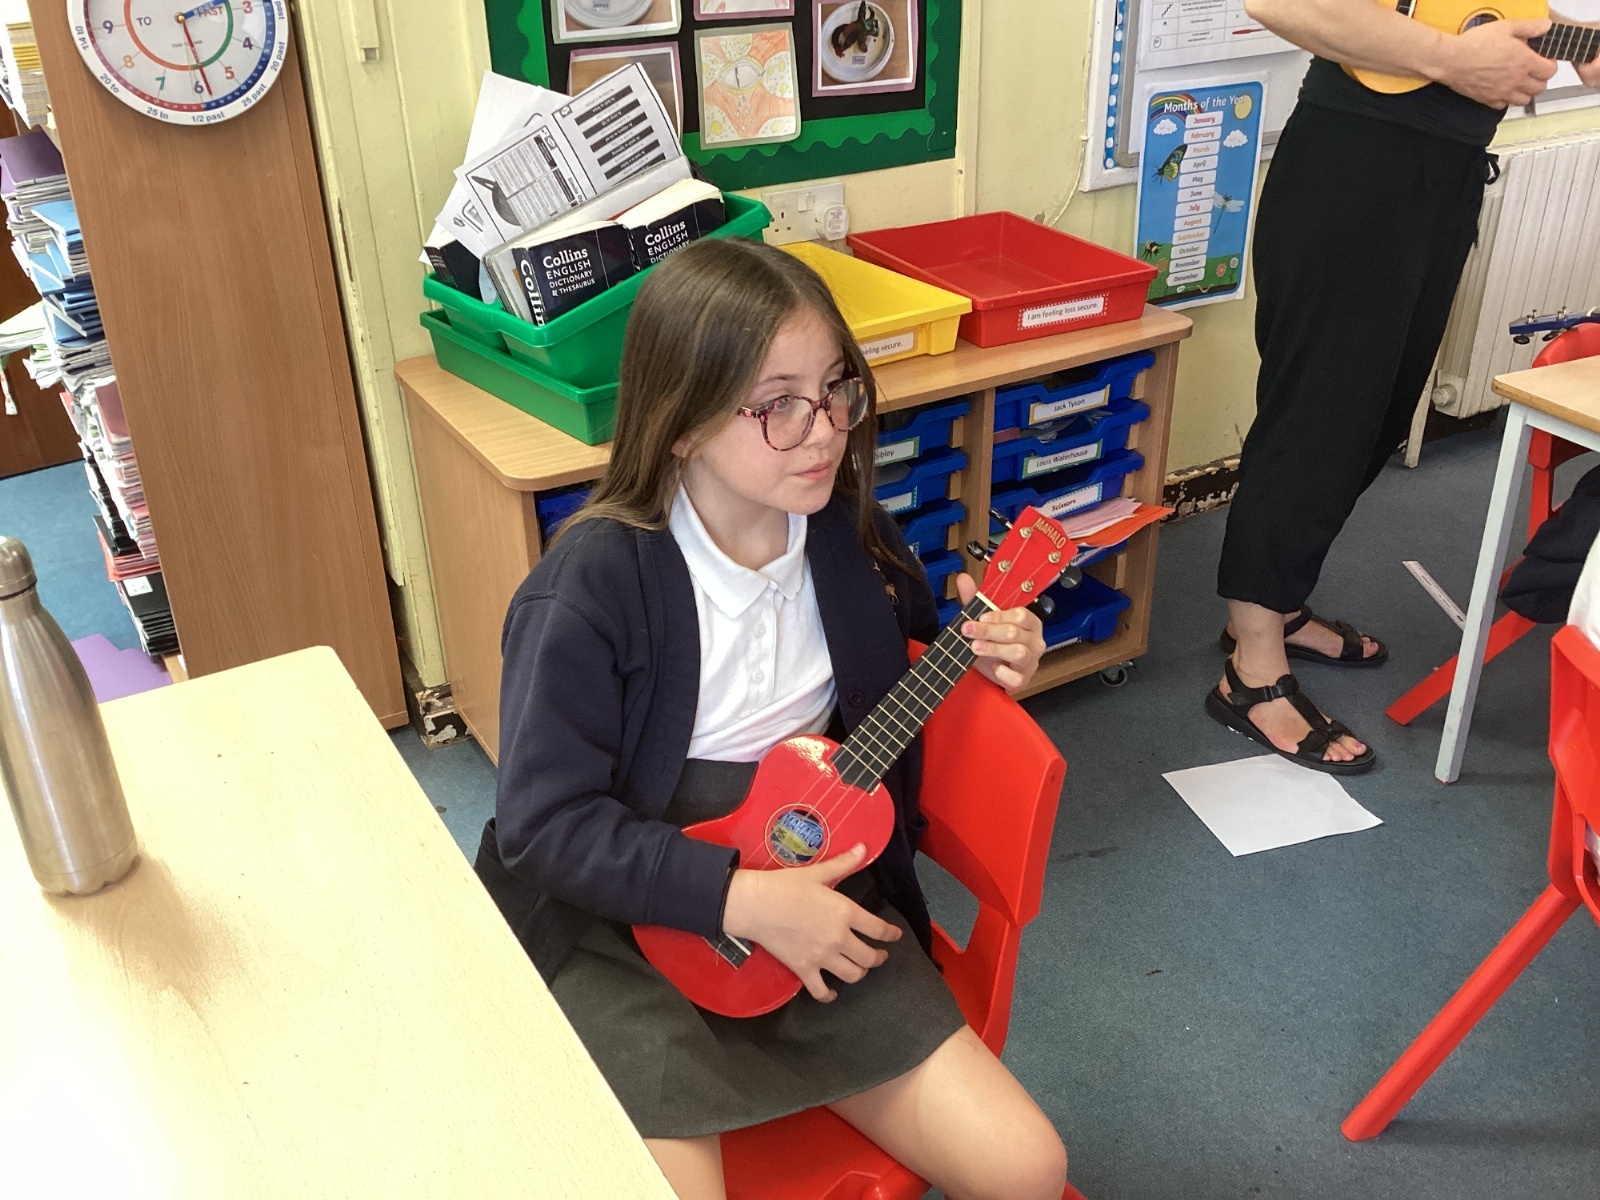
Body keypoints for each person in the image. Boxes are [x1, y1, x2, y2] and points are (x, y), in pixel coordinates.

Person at [473, 237, 1067, 1200]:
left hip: (813, 905)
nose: (824, 430)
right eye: (777, 404)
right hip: (622, 930)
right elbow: (544, 828)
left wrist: (996, 657)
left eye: (835, 389)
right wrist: (740, 903)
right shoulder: (589, 589)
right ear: (681, 423)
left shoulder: (855, 540)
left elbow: (914, 673)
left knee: (1029, 1168)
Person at [1208, 1, 1600, 773]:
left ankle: (1274, 607)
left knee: (1375, 418)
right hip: (1357, 161)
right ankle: (1250, 671)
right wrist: (1455, 61)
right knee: (1316, 422)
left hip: (1445, 171)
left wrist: (1571, 40)